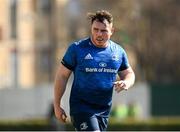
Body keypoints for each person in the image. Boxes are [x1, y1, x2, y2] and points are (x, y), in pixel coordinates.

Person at [54, 10, 135, 131]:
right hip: (81, 108)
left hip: (103, 110)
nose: (99, 34)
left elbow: (129, 73)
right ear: (91, 29)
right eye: (95, 29)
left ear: (112, 31)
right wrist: (57, 105)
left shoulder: (118, 52)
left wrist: (126, 83)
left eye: (103, 30)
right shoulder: (77, 49)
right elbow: (62, 76)